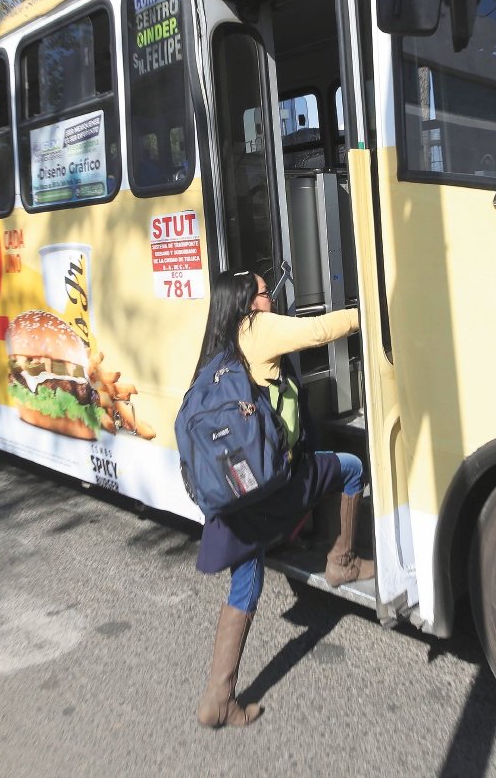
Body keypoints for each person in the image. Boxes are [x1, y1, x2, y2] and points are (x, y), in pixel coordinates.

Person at [190, 270, 372, 728]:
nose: (271, 298)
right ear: (250, 302)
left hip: (240, 489)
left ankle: (218, 700)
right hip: (274, 484)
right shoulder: (258, 327)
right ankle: (341, 560)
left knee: (246, 581)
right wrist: (369, 310)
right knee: (350, 468)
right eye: (267, 292)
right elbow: (316, 331)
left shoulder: (221, 340)